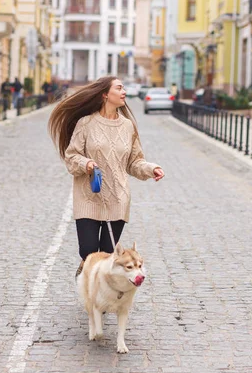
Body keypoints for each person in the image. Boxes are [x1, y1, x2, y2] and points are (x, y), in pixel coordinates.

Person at [48, 76, 165, 274]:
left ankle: (99, 296)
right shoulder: (86, 123)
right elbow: (71, 156)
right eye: (119, 88)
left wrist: (151, 168)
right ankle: (86, 273)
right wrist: (86, 164)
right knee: (88, 251)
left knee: (109, 253)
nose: (124, 92)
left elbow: (134, 162)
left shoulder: (128, 127)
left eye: (123, 88)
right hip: (88, 196)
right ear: (104, 94)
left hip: (118, 198)